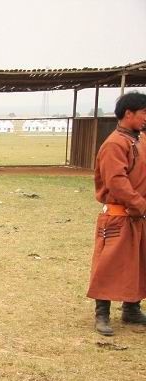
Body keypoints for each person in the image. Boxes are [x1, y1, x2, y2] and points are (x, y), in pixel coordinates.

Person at [87, 91, 146, 335]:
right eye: (143, 113)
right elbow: (116, 181)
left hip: (137, 214)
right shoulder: (114, 144)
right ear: (128, 113)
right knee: (108, 265)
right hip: (119, 214)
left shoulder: (138, 140)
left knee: (137, 263)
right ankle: (102, 313)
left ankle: (131, 308)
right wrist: (139, 204)